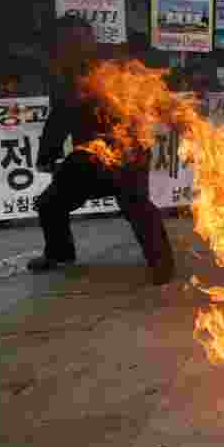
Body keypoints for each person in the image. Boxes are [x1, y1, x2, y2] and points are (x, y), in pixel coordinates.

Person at [27, 15, 175, 285]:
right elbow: (59, 118)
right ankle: (60, 254)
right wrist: (47, 155)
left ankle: (162, 265)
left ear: (90, 39)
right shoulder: (63, 74)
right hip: (88, 157)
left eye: (79, 38)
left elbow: (148, 100)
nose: (73, 44)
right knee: (50, 204)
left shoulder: (115, 67)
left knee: (136, 205)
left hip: (127, 153)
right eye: (67, 40)